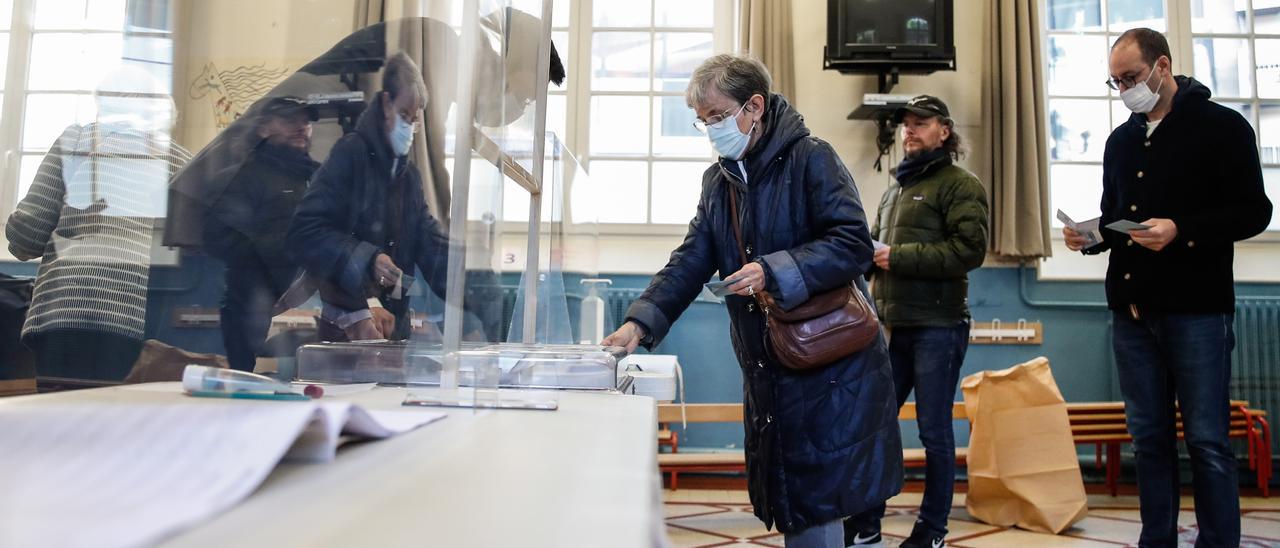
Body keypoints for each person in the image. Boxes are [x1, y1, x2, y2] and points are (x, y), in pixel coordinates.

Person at [603, 54, 902, 547]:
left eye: (717, 117)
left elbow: (853, 243)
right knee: (799, 503)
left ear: (755, 107)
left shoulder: (812, 158)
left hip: (829, 369)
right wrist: (640, 323)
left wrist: (774, 270)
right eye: (703, 121)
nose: (710, 130)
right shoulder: (719, 181)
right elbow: (691, 259)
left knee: (817, 505)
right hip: (773, 366)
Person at [1064, 28, 1272, 548]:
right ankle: (1156, 539)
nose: (1125, 89)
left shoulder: (1222, 127)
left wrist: (1182, 228)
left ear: (1163, 66)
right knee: (1149, 441)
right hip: (1132, 312)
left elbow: (1254, 211)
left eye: (1130, 77)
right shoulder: (1122, 139)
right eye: (1115, 82)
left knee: (1206, 441)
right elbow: (1120, 219)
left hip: (1196, 309)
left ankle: (1218, 541)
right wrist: (1088, 237)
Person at [844, 95, 989, 548]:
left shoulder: (960, 185)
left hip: (939, 327)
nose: (909, 131)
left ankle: (932, 530)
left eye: (920, 123)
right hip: (893, 326)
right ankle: (867, 524)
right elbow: (871, 252)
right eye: (906, 124)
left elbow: (969, 251)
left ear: (943, 131)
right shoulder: (895, 191)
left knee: (934, 432)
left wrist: (894, 256)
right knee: (876, 425)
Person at [4, 66, 191, 380]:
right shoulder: (181, 160)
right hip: (142, 317)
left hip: (68, 306)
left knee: (64, 418)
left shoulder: (76, 140)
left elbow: (27, 236)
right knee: (123, 422)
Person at [286, 53, 441, 342]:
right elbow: (306, 232)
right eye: (404, 116)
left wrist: (476, 292)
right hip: (348, 328)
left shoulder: (409, 179)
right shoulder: (350, 155)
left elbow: (430, 244)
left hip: (393, 328)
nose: (409, 128)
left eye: (414, 121)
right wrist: (368, 259)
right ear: (385, 104)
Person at [202, 96, 321, 371]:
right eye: (291, 119)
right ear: (263, 128)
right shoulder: (235, 179)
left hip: (319, 308)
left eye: (306, 121)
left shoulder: (321, 178)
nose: (302, 126)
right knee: (250, 393)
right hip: (253, 309)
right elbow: (219, 240)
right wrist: (288, 246)